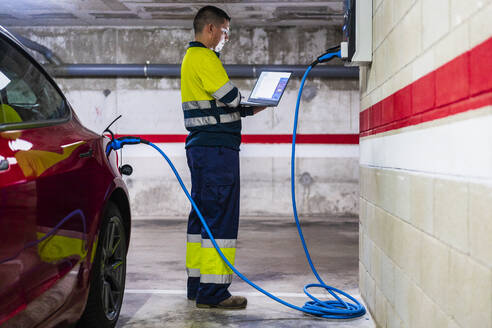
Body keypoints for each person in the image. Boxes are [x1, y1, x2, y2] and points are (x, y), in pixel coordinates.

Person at [180, 5, 266, 309]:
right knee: (219, 218)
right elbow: (230, 98)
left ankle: (197, 286)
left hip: (203, 148)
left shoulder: (191, 58)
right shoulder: (204, 57)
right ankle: (214, 293)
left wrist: (250, 107)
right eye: (225, 31)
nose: (225, 38)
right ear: (210, 29)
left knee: (202, 217)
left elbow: (223, 104)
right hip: (217, 151)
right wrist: (256, 102)